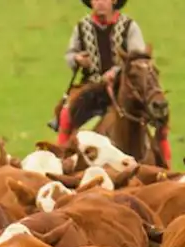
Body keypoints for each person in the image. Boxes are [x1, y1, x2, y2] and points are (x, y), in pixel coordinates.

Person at [51, 0, 169, 165]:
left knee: (159, 114)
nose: (100, 3)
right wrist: (77, 59)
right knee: (66, 113)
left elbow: (139, 57)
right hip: (92, 86)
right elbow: (70, 54)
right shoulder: (81, 26)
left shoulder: (129, 26)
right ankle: (61, 161)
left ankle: (165, 165)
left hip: (127, 85)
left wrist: (116, 72)